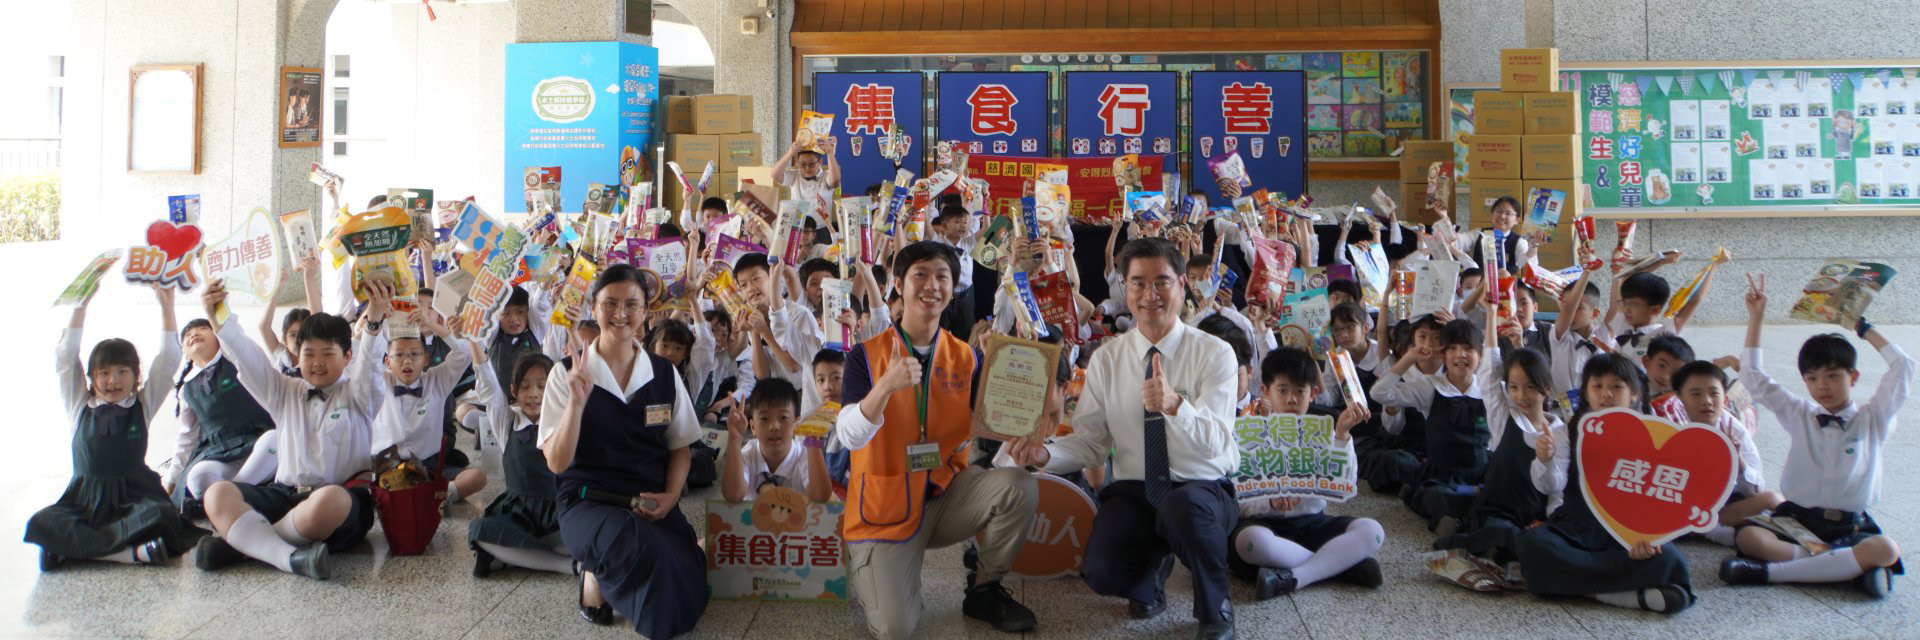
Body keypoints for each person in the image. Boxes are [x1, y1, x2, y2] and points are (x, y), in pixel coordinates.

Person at [1004, 238, 1240, 640]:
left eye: (1161, 282)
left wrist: (1175, 406)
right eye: (1138, 283)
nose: (1150, 295)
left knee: (1184, 511)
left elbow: (1219, 444)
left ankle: (1216, 608)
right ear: (1125, 289)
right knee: (1101, 571)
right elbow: (1091, 444)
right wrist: (1045, 454)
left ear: (1182, 285)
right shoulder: (1107, 359)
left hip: (1201, 487)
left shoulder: (1215, 353)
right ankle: (1151, 578)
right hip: (1138, 487)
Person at [835, 241, 1039, 639]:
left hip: (944, 494)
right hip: (884, 508)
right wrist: (885, 389)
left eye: (942, 276)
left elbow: (991, 429)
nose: (932, 285)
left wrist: (1024, 421)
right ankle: (878, 577)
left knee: (1019, 486)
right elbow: (848, 435)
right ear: (898, 284)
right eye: (921, 275)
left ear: (953, 285)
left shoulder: (967, 356)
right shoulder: (866, 355)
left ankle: (984, 589)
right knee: (896, 628)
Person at [540, 264, 708, 635]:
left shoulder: (663, 373)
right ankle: (597, 576)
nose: (620, 314)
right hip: (588, 502)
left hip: (649, 501)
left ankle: (596, 573)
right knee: (639, 548)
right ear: (593, 307)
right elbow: (557, 462)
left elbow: (680, 446)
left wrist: (671, 495)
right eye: (610, 303)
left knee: (689, 572)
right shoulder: (565, 374)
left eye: (631, 304)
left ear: (646, 312)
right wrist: (576, 403)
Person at [1720, 274, 1910, 596]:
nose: (1823, 386)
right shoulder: (1800, 414)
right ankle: (1845, 569)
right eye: (1813, 378)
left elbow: (1903, 366)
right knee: (1749, 537)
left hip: (1849, 526)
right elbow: (1753, 377)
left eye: (1833, 376)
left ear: (1854, 376)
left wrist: (1862, 327)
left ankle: (1769, 574)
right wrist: (1757, 317)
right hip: (1799, 521)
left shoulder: (1873, 419)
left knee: (1886, 548)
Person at [191, 279, 392, 580]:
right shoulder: (284, 390)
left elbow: (371, 368)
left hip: (340, 504)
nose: (317, 363)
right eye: (309, 354)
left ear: (347, 357)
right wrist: (218, 317)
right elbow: (247, 358)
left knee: (330, 501)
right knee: (217, 493)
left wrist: (375, 320)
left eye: (328, 354)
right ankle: (289, 557)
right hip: (283, 496)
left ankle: (243, 545)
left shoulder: (359, 394)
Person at [28, 284, 203, 570]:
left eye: (123, 371)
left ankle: (79, 551)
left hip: (134, 496)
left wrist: (167, 306)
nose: (113, 380)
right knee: (44, 522)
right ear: (91, 377)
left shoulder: (142, 404)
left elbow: (168, 361)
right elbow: (65, 358)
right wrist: (80, 308)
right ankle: (133, 554)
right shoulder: (78, 404)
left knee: (160, 515)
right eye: (104, 373)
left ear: (135, 375)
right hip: (84, 500)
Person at [1515, 353, 1694, 613]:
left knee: (1671, 559)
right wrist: (1545, 459)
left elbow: (1659, 498)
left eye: (1616, 386)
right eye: (1597, 386)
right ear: (1586, 393)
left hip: (1625, 534)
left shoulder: (1652, 438)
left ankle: (1580, 587)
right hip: (1575, 528)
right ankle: (1623, 595)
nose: (1606, 394)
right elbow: (1550, 486)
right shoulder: (1567, 432)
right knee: (1533, 545)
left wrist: (1648, 537)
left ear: (1633, 394)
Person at [1230, 346, 1382, 598]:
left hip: (1313, 525)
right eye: (1282, 390)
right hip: (1268, 526)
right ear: (1266, 391)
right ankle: (1340, 566)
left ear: (1312, 393)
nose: (1291, 399)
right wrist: (1269, 502)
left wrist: (1342, 435)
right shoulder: (1249, 435)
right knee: (1249, 542)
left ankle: (1295, 577)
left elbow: (1345, 484)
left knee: (1373, 531)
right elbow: (1238, 498)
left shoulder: (1323, 433)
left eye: (1299, 391)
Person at [1432, 334, 1563, 566]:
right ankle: (1465, 539)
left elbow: (1556, 491)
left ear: (1547, 389)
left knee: (1534, 541)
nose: (1521, 396)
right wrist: (1492, 313)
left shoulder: (1560, 433)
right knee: (1501, 531)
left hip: (1534, 517)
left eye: (1530, 387)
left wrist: (1547, 460)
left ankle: (1471, 539)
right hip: (1498, 511)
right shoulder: (1505, 419)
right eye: (1514, 387)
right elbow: (1490, 374)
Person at [1371, 319, 1493, 534]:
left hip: (1478, 471)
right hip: (1441, 474)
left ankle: (1471, 523)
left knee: (1496, 494)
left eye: (1468, 349)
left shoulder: (1489, 390)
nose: (1460, 355)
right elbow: (1379, 394)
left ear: (1480, 355)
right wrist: (1409, 358)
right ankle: (1455, 520)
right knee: (1437, 495)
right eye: (1452, 348)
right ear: (1443, 355)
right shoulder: (1430, 387)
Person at [467, 345, 570, 577]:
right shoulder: (507, 421)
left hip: (558, 510)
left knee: (587, 533)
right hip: (517, 512)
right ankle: (563, 565)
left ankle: (515, 558)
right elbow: (488, 387)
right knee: (480, 531)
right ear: (513, 390)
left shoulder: (565, 422)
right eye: (525, 386)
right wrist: (474, 342)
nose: (534, 393)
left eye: (543, 386)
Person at [368, 310, 484, 513]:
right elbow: (362, 360)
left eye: (414, 354)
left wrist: (432, 326)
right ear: (387, 362)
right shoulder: (379, 382)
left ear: (426, 359)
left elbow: (464, 354)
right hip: (385, 467)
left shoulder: (436, 381)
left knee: (477, 477)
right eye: (399, 355)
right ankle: (413, 497)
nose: (407, 361)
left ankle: (443, 495)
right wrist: (374, 320)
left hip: (427, 466)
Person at [165, 318, 279, 519]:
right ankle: (241, 495)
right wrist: (171, 481)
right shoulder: (186, 389)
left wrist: (219, 317)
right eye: (187, 335)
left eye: (202, 328)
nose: (194, 334)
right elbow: (186, 438)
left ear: (217, 336)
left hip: (257, 443)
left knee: (276, 440)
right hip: (219, 454)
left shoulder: (235, 360)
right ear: (185, 352)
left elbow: (235, 336)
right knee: (198, 477)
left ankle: (230, 498)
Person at [1668, 360, 1780, 547]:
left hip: (1729, 506)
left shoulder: (1732, 427)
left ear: (1724, 397)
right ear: (1679, 399)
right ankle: (1711, 531)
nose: (1707, 401)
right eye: (1696, 394)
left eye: (1714, 393)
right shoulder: (1672, 428)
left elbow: (1755, 489)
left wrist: (1737, 459)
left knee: (1771, 499)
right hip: (1694, 510)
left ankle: (1807, 538)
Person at [720, 378, 830, 503]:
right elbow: (732, 496)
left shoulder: (804, 454)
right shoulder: (748, 454)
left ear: (796, 423)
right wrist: (734, 439)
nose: (774, 426)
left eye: (783, 417)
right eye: (764, 419)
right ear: (753, 427)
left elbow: (821, 497)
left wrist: (812, 440)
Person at [772, 137, 840, 223]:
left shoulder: (826, 176)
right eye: (803, 164)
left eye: (811, 164)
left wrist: (829, 153)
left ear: (820, 162)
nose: (807, 168)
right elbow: (775, 174)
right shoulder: (795, 175)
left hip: (821, 228)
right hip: (798, 227)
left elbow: (835, 181)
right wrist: (789, 154)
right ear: (797, 163)